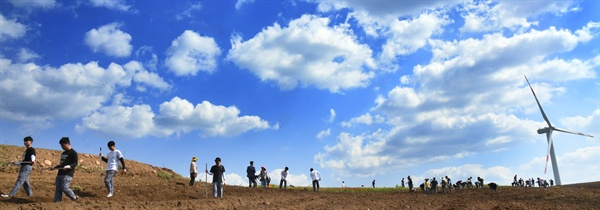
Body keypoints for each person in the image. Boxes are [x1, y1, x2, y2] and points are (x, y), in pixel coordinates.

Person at [50, 137, 79, 202]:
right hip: (60, 173)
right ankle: (57, 201)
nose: (62, 147)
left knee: (64, 187)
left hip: (68, 174)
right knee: (58, 189)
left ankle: (74, 197)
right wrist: (54, 168)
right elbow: (61, 165)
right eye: (61, 145)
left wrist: (69, 166)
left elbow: (75, 163)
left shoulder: (73, 153)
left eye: (63, 145)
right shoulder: (63, 153)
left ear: (67, 143)